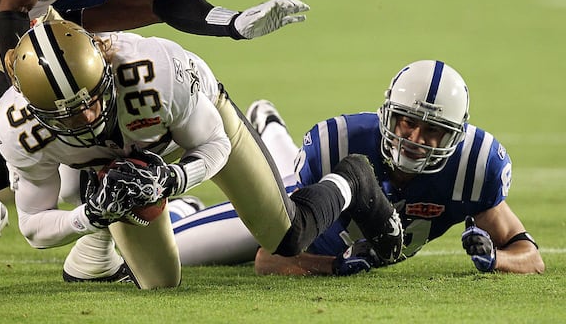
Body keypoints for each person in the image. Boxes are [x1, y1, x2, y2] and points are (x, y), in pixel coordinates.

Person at [0, 0, 309, 275]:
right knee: (43, 116)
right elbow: (10, 11)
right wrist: (30, 90)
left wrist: (230, 23)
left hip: (32, 13)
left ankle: (89, 240)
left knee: (68, 117)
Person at [0, 20, 403, 288]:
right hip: (122, 163)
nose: (88, 114)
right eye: (67, 113)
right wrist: (92, 215)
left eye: (93, 97)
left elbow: (214, 145)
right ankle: (123, 228)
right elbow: (33, 226)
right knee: (159, 284)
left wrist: (172, 178)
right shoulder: (18, 129)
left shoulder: (153, 73)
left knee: (287, 237)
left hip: (193, 128)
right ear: (34, 110)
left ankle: (350, 176)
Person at [170, 60, 545, 275]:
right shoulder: (342, 143)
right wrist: (334, 265)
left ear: (455, 136)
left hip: (318, 204)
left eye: (433, 130)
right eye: (407, 123)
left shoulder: (472, 167)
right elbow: (269, 258)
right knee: (169, 252)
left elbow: (529, 254)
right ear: (388, 116)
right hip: (293, 217)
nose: (415, 138)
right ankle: (186, 206)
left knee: (287, 172)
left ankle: (270, 128)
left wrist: (497, 259)